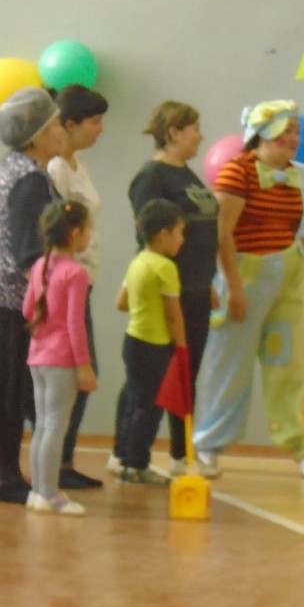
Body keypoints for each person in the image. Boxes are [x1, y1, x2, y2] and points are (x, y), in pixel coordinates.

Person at [192, 99, 304, 481]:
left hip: (288, 274)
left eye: (297, 131)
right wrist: (234, 286)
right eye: (288, 130)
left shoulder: (301, 176)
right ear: (265, 134)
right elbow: (222, 232)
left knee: (293, 364)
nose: (295, 138)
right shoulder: (237, 171)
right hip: (245, 272)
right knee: (229, 364)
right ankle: (208, 445)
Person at [108, 100, 219, 478]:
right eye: (194, 128)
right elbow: (149, 238)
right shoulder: (151, 177)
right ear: (173, 132)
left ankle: (181, 453)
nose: (200, 136)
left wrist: (207, 279)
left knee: (186, 371)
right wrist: (157, 286)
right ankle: (124, 452)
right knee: (148, 377)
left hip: (196, 288)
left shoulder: (187, 175)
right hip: (169, 291)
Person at [0, 86, 66, 505]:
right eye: (57, 125)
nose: (63, 131)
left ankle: (8, 471)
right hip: (18, 303)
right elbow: (31, 253)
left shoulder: (15, 166)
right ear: (37, 136)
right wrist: (52, 302)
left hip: (6, 298)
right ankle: (8, 476)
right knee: (12, 389)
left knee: (11, 387)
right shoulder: (29, 179)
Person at [47, 84, 110, 490]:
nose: (100, 129)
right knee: (76, 372)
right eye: (94, 121)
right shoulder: (55, 168)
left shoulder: (78, 163)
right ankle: (57, 461)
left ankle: (62, 460)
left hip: (84, 278)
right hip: (69, 280)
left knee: (81, 373)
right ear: (70, 124)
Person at [22, 200, 96, 515]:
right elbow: (75, 324)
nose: (90, 235)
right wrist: (85, 366)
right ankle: (49, 494)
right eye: (89, 229)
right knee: (54, 426)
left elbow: (27, 309)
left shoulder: (41, 265)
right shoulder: (76, 273)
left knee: (43, 425)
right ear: (75, 233)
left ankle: (39, 491)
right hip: (62, 360)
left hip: (38, 356)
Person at [114, 199, 188, 486]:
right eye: (179, 233)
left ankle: (125, 459)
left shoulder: (137, 262)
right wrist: (181, 348)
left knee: (135, 402)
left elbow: (121, 302)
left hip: (132, 342)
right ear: (163, 234)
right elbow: (174, 315)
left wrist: (144, 306)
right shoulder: (165, 268)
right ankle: (137, 465)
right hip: (153, 347)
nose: (182, 240)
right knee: (150, 408)